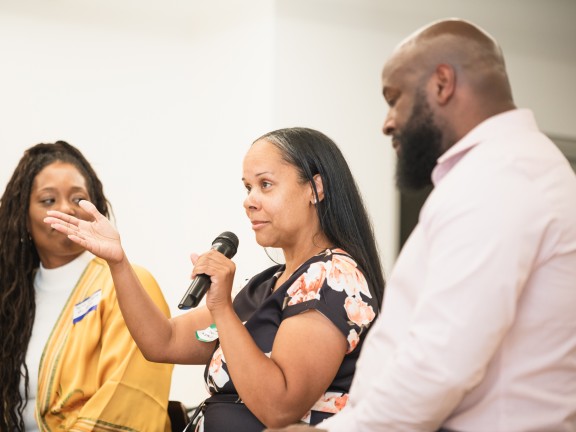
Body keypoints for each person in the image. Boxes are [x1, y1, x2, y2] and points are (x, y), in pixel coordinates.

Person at [264, 18, 576, 432]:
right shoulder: (502, 172)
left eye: (395, 99)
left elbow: (441, 360)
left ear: (442, 83)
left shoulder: (500, 178)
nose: (388, 122)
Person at [43, 127, 385, 431]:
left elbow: (280, 407)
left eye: (265, 185)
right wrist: (118, 261)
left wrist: (221, 307)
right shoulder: (266, 285)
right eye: (248, 187)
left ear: (315, 188)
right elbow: (163, 341)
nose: (249, 201)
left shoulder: (333, 277)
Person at [0, 141, 174, 432]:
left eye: (78, 199)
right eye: (48, 201)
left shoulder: (127, 285)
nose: (66, 209)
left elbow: (128, 397)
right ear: (23, 216)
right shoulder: (12, 298)